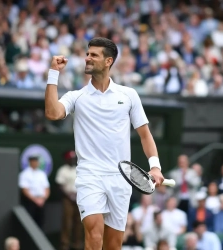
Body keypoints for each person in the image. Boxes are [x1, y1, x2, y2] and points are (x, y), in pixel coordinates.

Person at [44, 37, 164, 250]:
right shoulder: (76, 97)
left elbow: (145, 135)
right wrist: (53, 74)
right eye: (87, 54)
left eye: (94, 55)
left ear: (108, 61)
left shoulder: (129, 95)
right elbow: (53, 113)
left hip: (121, 179)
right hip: (89, 176)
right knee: (94, 235)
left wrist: (155, 165)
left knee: (113, 245)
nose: (87, 58)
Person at [55, 150, 83, 250]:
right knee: (67, 222)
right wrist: (69, 195)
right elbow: (59, 185)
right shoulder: (63, 170)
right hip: (67, 198)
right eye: (70, 159)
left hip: (79, 198)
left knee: (79, 222)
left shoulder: (79, 169)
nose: (72, 160)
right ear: (66, 160)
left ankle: (77, 244)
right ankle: (65, 245)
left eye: (73, 159)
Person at [18, 155, 50, 228]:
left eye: (37, 161)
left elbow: (47, 188)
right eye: (34, 161)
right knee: (30, 222)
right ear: (30, 162)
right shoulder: (24, 174)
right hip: (30, 202)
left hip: (41, 201)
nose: (36, 163)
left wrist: (43, 199)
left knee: (41, 222)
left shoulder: (42, 174)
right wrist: (35, 200)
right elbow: (24, 190)